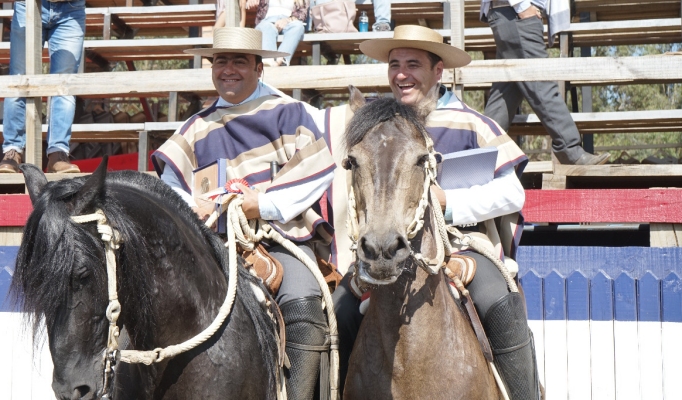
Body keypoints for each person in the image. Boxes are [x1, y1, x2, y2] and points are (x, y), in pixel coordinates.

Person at [331, 25, 539, 400]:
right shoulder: (377, 126)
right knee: (339, 310)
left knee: (500, 303)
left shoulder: (472, 123)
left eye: (413, 64)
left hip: (462, 247)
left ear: (438, 71)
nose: (401, 74)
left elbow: (513, 193)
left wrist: (448, 203)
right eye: (395, 64)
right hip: (389, 243)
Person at [151, 27, 337, 400]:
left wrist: (261, 204)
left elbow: (317, 172)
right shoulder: (195, 127)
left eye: (239, 61)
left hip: (278, 237)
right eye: (221, 61)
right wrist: (196, 206)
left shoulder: (290, 113)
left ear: (258, 67)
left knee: (302, 304)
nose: (229, 69)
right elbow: (168, 190)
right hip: (210, 243)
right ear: (211, 67)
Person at [481, 0, 610, 165]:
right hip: (516, 14)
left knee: (506, 92)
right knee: (541, 83)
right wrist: (522, 6)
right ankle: (569, 149)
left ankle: (482, 155)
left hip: (509, 13)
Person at [0, 0, 84, 174]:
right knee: (19, 79)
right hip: (28, 5)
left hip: (71, 8)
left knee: (65, 83)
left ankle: (58, 153)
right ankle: (12, 152)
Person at [252, 0, 307, 66]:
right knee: (267, 27)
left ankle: (281, 60)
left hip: (289, 21)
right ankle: (270, 61)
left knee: (298, 26)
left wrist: (286, 20)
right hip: (268, 21)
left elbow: (302, 15)